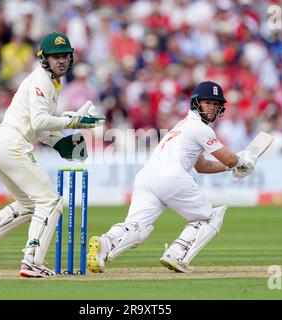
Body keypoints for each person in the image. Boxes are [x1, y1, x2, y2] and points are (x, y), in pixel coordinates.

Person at [0, 32, 98, 278]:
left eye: (65, 56)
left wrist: (62, 144)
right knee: (51, 201)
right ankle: (32, 261)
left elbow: (40, 129)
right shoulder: (42, 80)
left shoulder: (51, 84)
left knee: (29, 204)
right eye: (55, 57)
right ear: (44, 59)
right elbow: (39, 121)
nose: (61, 61)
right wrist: (74, 120)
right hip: (12, 145)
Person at [87, 81, 256, 273]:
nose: (212, 107)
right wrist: (242, 160)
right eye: (208, 102)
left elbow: (201, 166)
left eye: (216, 104)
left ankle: (104, 244)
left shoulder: (183, 126)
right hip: (171, 176)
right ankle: (177, 255)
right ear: (196, 103)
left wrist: (230, 168)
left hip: (147, 177)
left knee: (136, 228)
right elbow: (230, 158)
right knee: (209, 218)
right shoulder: (201, 128)